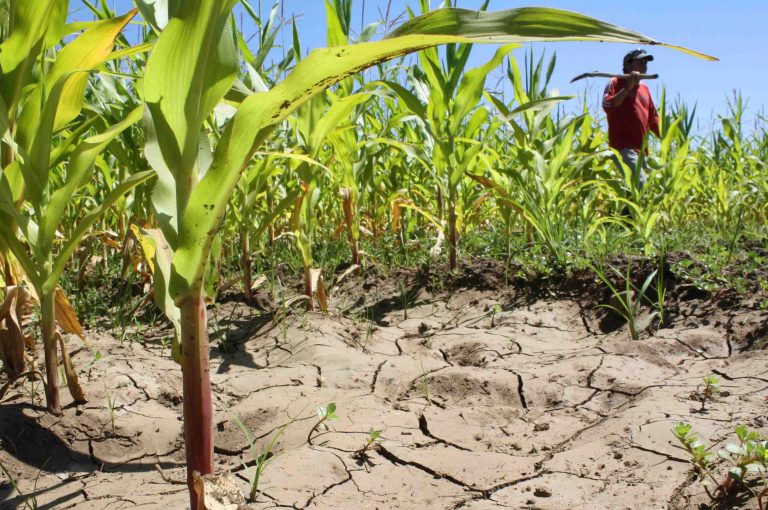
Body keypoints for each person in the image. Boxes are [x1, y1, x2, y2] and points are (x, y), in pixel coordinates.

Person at [602, 49, 660, 187]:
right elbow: (608, 105)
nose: (644, 65)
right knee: (641, 184)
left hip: (642, 151)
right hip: (623, 147)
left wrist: (667, 137)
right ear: (627, 65)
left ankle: (625, 209)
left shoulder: (644, 89)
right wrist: (628, 87)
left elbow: (653, 119)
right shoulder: (616, 82)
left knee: (649, 188)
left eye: (645, 62)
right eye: (639, 61)